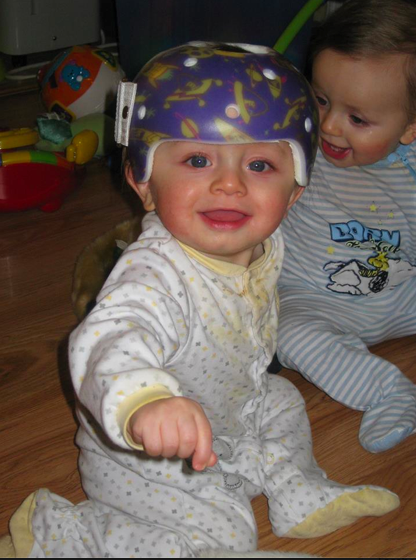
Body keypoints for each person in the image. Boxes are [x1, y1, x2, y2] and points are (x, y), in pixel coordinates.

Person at [1, 43, 399, 559]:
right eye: (196, 160)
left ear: (295, 191)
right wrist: (145, 402)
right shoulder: (153, 274)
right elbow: (109, 338)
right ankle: (60, 535)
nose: (229, 183)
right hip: (147, 452)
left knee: (283, 399)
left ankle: (297, 489)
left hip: (233, 403)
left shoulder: (267, 241)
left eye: (260, 164)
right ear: (143, 183)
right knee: (228, 533)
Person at [276, 0, 416, 454]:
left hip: (401, 294)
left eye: (358, 118)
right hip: (312, 296)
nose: (330, 125)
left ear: (410, 128)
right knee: (288, 334)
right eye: (320, 99)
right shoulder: (295, 138)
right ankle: (388, 392)